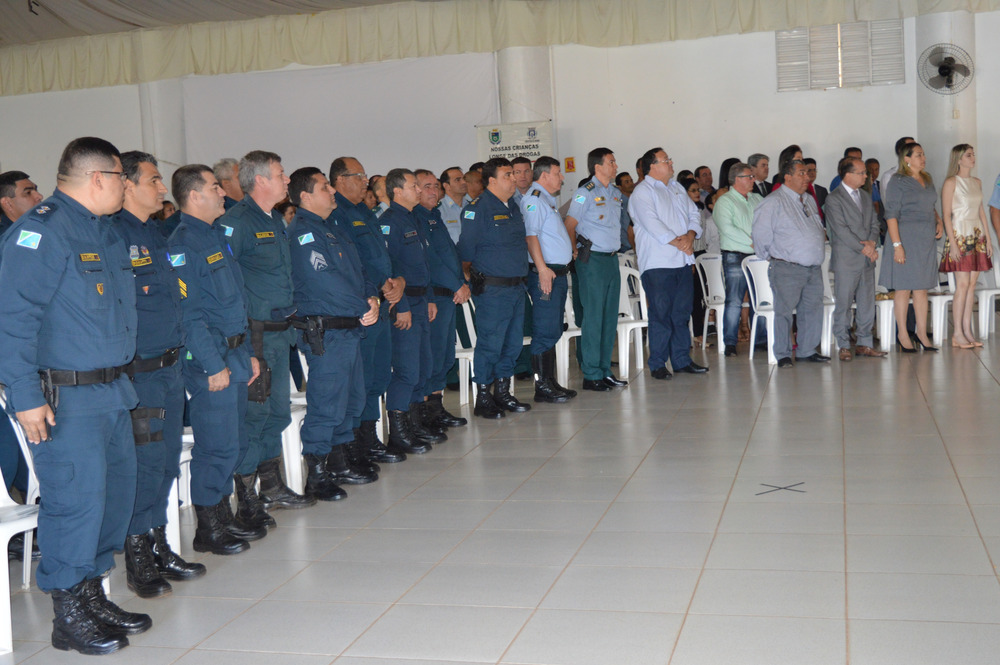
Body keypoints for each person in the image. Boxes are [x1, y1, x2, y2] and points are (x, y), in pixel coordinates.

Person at [0, 137, 151, 655]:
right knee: (75, 503)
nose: (127, 186)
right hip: (65, 398)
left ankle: (92, 593)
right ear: (98, 178)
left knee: (113, 499)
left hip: (111, 390)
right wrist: (24, 395)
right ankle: (68, 614)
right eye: (122, 177)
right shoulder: (39, 232)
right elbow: (12, 320)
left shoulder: (102, 232)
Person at [112, 151, 206, 600]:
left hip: (169, 368)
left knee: (167, 463)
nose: (162, 188)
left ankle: (160, 543)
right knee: (144, 467)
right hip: (140, 374)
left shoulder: (153, 232)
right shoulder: (113, 235)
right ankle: (137, 555)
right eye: (154, 180)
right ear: (127, 184)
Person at [168, 164, 263, 555]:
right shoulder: (183, 242)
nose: (223, 192)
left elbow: (235, 303)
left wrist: (250, 355)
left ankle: (222, 515)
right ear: (194, 195)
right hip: (212, 359)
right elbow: (188, 314)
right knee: (216, 445)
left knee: (234, 439)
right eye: (214, 187)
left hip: (235, 351)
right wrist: (212, 365)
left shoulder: (214, 236)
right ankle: (208, 526)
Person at [223, 150, 317, 523]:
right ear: (260, 180)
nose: (286, 180)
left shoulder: (275, 218)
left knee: (276, 413)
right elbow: (227, 282)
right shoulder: (236, 223)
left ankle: (272, 487)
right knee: (254, 415)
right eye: (280, 174)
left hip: (280, 334)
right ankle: (246, 497)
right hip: (255, 336)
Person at [286, 167, 380, 500]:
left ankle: (340, 462)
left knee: (350, 400)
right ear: (305, 197)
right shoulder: (303, 234)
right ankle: (317, 473)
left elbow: (360, 271)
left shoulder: (333, 230)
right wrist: (361, 304)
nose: (332, 192)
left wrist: (372, 297)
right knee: (327, 403)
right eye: (325, 187)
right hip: (327, 331)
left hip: (349, 327)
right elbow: (325, 282)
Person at [329, 157, 408, 461]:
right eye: (358, 176)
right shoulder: (337, 213)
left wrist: (396, 281)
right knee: (360, 378)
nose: (365, 181)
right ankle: (355, 442)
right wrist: (379, 284)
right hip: (362, 304)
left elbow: (382, 255)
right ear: (340, 180)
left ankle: (370, 435)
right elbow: (350, 262)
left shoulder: (365, 211)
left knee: (377, 373)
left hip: (381, 298)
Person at [457, 157, 532, 417]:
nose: (513, 179)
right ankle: (483, 397)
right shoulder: (477, 209)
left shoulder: (513, 205)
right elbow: (465, 250)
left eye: (513, 174)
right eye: (507, 175)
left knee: (512, 343)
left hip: (516, 286)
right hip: (492, 288)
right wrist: (467, 276)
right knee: (490, 343)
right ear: (491, 181)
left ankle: (503, 392)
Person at [381, 168, 446, 450]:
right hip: (405, 303)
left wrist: (430, 297)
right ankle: (399, 431)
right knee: (407, 369)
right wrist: (401, 305)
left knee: (423, 366)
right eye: (414, 186)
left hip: (422, 300)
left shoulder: (413, 218)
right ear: (397, 191)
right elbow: (390, 270)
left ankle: (416, 424)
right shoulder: (389, 222)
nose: (419, 191)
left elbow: (423, 265)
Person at [629, 148, 706, 379]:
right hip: (658, 263)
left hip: (682, 260)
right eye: (666, 160)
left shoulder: (676, 187)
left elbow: (695, 214)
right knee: (661, 314)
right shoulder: (642, 192)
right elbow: (651, 223)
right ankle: (658, 363)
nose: (671, 163)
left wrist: (691, 236)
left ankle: (681, 360)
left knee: (681, 314)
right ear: (652, 166)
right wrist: (678, 242)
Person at [752, 159, 829, 367]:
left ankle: (807, 350)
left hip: (813, 267)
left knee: (812, 310)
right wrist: (774, 258)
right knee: (784, 312)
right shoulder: (773, 202)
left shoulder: (809, 200)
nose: (807, 177)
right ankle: (783, 353)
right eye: (801, 173)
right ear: (787, 177)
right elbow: (760, 235)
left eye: (807, 173)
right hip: (787, 266)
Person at [564, 148, 628, 391]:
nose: (615, 165)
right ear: (597, 167)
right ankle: (591, 374)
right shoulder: (584, 193)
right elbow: (569, 224)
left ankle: (604, 370)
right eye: (611, 162)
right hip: (591, 261)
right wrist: (573, 250)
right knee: (593, 317)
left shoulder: (614, 193)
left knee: (609, 317)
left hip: (611, 259)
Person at [412, 170, 470, 428]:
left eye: (436, 186)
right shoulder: (415, 218)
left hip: (449, 295)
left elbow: (451, 253)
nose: (434, 191)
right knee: (432, 355)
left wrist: (462, 281)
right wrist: (457, 283)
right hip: (434, 294)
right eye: (427, 187)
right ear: (414, 189)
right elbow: (430, 261)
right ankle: (424, 412)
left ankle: (437, 406)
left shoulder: (434, 215)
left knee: (445, 354)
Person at [521, 156, 576, 402]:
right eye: (557, 172)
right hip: (546, 274)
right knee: (544, 328)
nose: (561, 177)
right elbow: (530, 237)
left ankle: (550, 381)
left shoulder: (546, 200)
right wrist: (542, 269)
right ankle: (541, 386)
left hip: (557, 273)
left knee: (553, 327)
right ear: (544, 175)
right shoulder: (533, 200)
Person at [878, 143, 942, 352]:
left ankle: (922, 333)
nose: (923, 158)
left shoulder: (928, 178)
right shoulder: (898, 181)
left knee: (922, 288)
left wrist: (938, 221)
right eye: (918, 155)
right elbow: (891, 214)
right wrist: (897, 245)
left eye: (923, 154)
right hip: (904, 237)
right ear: (906, 159)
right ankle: (903, 334)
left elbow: (930, 206)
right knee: (904, 289)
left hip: (925, 240)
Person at [823, 156, 886, 361]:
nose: (866, 176)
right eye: (861, 173)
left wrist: (872, 243)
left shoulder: (866, 196)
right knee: (844, 303)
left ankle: (864, 343)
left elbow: (875, 224)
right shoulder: (834, 198)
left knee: (867, 302)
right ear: (848, 174)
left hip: (867, 258)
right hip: (847, 259)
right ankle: (843, 343)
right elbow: (841, 231)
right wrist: (866, 248)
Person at [940, 144, 993, 348]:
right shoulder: (951, 182)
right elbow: (946, 214)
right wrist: (952, 243)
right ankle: (957, 333)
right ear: (959, 159)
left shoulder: (977, 182)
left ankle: (967, 329)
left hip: (976, 233)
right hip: (960, 233)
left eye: (973, 154)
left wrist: (988, 238)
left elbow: (981, 212)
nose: (973, 158)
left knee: (972, 284)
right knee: (962, 284)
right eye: (969, 155)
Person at [712, 162, 764, 356]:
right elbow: (727, 228)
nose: (753, 180)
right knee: (734, 299)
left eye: (752, 177)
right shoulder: (725, 201)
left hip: (757, 255)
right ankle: (730, 342)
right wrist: (753, 242)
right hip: (735, 254)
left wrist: (760, 243)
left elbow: (767, 221)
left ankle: (760, 339)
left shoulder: (757, 199)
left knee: (760, 298)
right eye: (749, 177)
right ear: (736, 180)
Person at [439, 166, 468, 244]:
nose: (464, 182)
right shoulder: (439, 210)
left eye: (464, 179)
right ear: (446, 186)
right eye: (458, 180)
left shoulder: (473, 207)